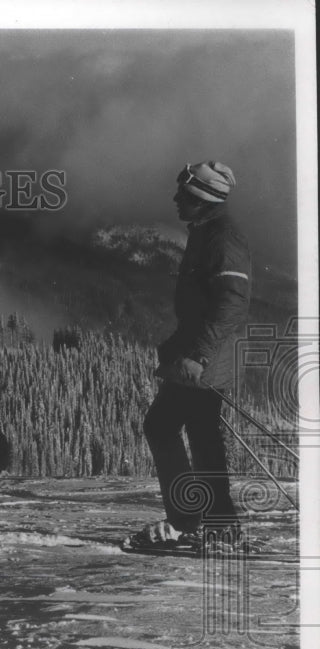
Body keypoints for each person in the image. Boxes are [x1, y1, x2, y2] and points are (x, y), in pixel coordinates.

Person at [136, 161, 249, 549]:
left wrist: (197, 355)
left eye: (182, 194)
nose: (175, 199)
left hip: (207, 358)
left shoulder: (221, 237)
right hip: (200, 354)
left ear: (201, 198)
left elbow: (231, 304)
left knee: (172, 428)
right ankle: (212, 523)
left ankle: (199, 521)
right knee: (197, 434)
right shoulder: (206, 232)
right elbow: (203, 306)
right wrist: (177, 347)